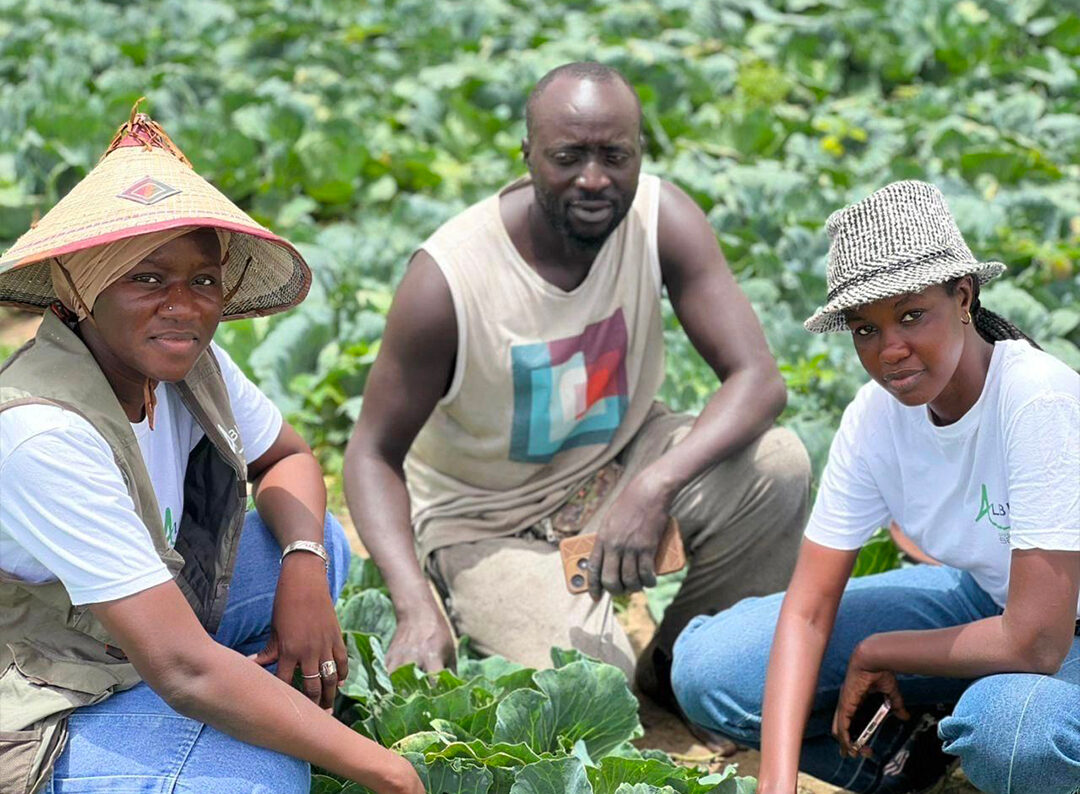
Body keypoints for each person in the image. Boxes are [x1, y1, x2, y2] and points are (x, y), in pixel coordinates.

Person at [342, 61, 811, 741]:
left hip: (618, 465)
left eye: (614, 155)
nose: (594, 178)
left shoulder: (660, 220)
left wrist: (651, 487)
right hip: (488, 521)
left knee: (779, 464)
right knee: (591, 686)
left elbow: (758, 379)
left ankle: (680, 667)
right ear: (527, 155)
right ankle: (466, 599)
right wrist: (412, 603)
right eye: (568, 157)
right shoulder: (449, 281)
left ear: (640, 153)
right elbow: (370, 454)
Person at [0, 108, 422, 794]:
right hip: (43, 683)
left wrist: (305, 570)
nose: (184, 306)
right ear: (81, 290)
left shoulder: (190, 362)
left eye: (202, 280)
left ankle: (223, 702)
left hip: (136, 627)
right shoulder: (44, 433)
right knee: (257, 777)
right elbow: (184, 671)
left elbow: (288, 459)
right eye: (146, 279)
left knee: (321, 542)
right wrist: (387, 768)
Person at [670, 181, 1080, 794]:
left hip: (1054, 637)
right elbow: (807, 610)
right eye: (865, 329)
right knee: (714, 667)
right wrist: (774, 782)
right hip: (986, 602)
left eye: (912, 316)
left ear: (963, 296)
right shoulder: (876, 416)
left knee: (1012, 732)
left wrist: (881, 649)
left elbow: (1036, 641)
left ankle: (991, 752)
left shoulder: (1035, 397)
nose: (890, 350)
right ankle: (914, 762)